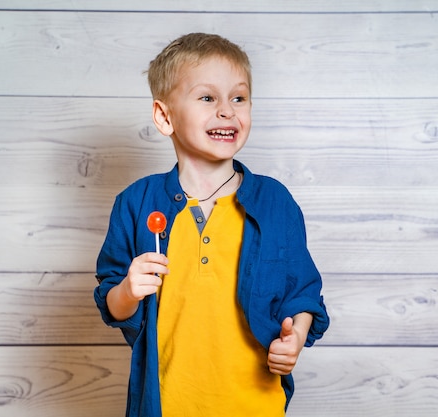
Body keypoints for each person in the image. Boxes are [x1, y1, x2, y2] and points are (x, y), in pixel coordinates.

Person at [94, 32, 329, 417]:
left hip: (255, 404)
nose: (227, 111)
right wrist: (128, 290)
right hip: (166, 404)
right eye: (207, 98)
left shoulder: (275, 202)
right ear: (164, 117)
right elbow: (112, 304)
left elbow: (302, 292)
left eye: (238, 97)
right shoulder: (135, 203)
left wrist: (297, 337)